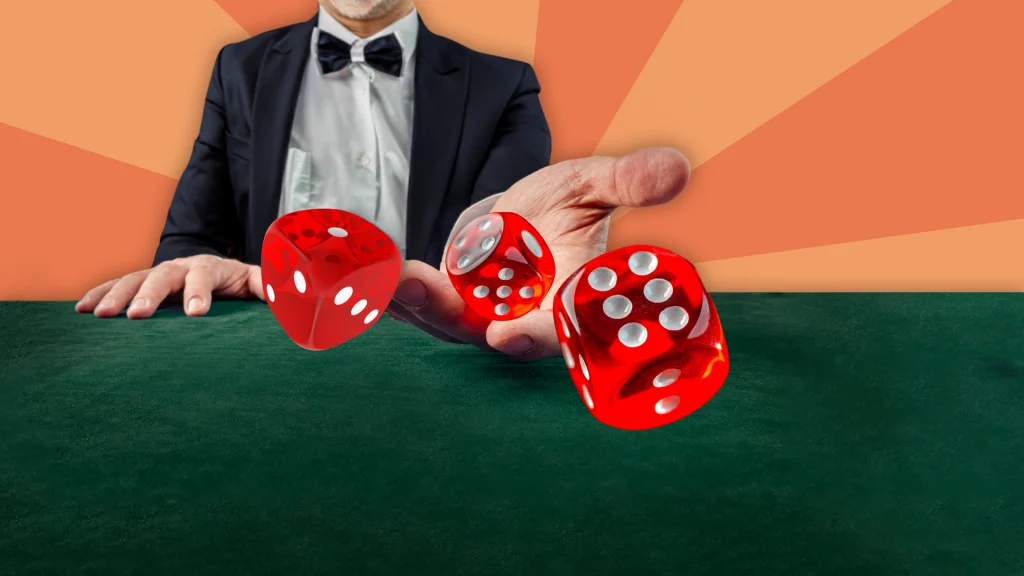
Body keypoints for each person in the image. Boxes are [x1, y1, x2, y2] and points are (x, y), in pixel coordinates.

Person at [76, 0, 693, 361]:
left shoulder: (504, 85)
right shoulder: (239, 68)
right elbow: (190, 244)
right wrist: (198, 269)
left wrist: (519, 275)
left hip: (434, 375)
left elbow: (512, 238)